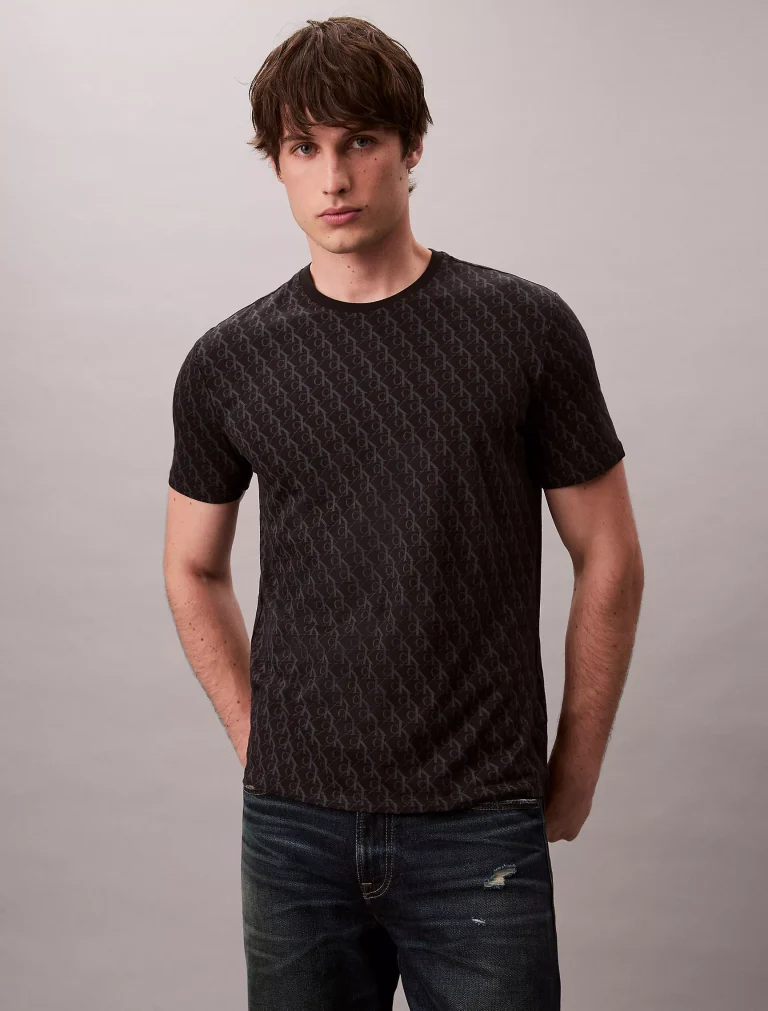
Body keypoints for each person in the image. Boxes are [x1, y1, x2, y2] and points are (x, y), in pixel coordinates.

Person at [163, 15, 644, 1011]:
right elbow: (191, 566)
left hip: (478, 824)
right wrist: (260, 737)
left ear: (411, 145)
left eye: (360, 141)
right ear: (277, 163)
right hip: (293, 834)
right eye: (304, 148)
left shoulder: (525, 330)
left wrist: (577, 767)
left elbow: (610, 555)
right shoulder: (230, 361)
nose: (334, 177)